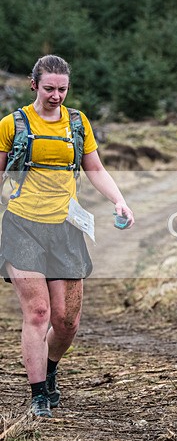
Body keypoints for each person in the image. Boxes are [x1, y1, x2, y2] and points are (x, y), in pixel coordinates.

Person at [0, 55, 135, 418]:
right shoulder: (12, 125)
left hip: (66, 229)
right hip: (22, 226)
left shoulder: (77, 123)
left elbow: (95, 168)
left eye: (62, 89)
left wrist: (119, 201)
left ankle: (50, 367)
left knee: (66, 322)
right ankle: (38, 395)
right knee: (38, 312)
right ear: (34, 85)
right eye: (49, 88)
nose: (56, 96)